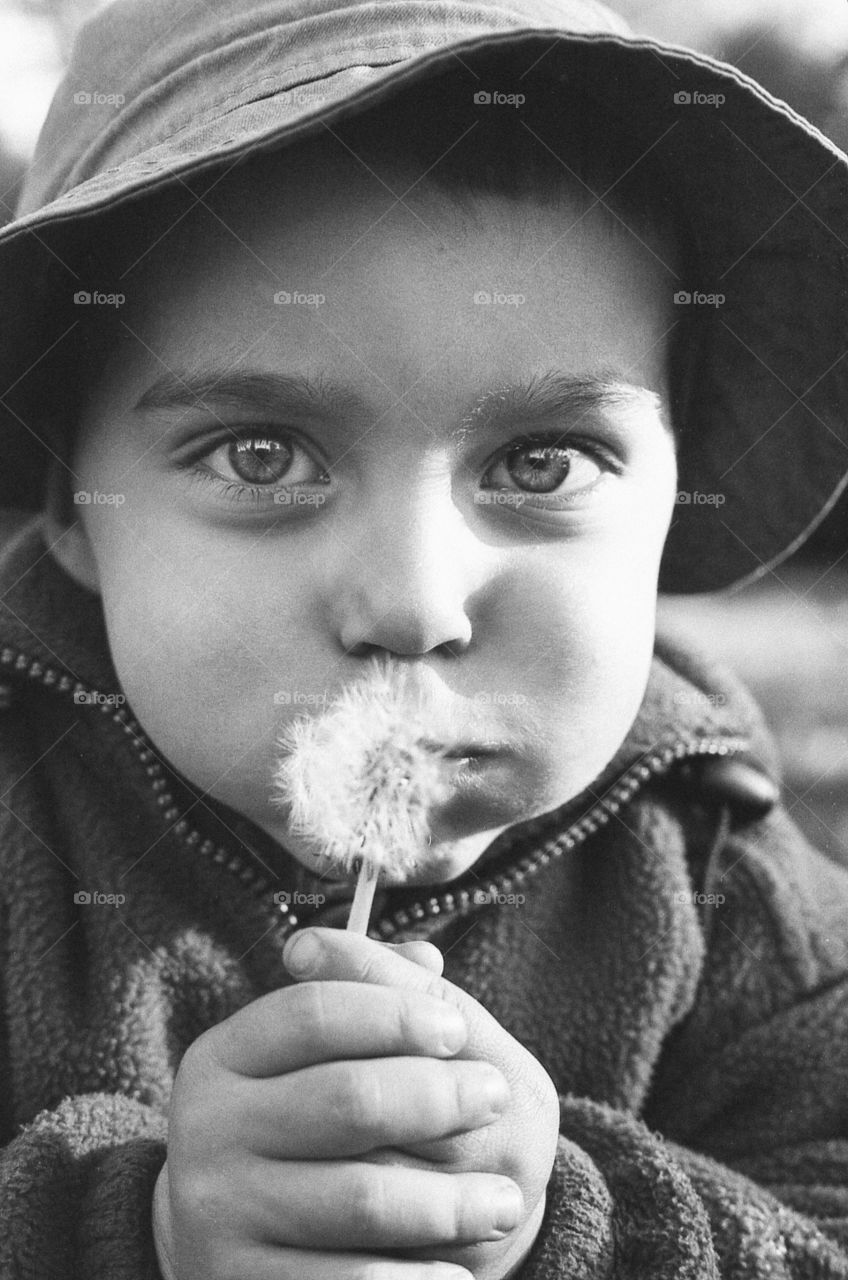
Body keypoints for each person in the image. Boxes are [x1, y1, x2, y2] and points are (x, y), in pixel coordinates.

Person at [1, 0, 848, 1276]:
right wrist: (130, 1228)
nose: (412, 602)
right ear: (76, 508)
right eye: (262, 453)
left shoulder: (731, 888)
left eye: (541, 458)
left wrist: (556, 1221)